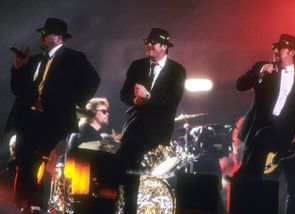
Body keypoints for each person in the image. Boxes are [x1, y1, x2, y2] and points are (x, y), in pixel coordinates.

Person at [5, 18, 100, 213]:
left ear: (58, 38)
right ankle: (25, 205)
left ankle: (38, 203)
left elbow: (93, 80)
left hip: (53, 119)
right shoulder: (35, 60)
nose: (41, 36)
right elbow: (17, 89)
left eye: (45, 34)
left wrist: (73, 101)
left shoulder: (73, 57)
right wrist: (18, 68)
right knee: (23, 160)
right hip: (29, 118)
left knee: (44, 160)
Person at [234, 34, 295, 213]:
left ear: (292, 52)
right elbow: (240, 84)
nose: (275, 51)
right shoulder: (263, 67)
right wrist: (260, 73)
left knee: (293, 186)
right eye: (274, 47)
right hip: (258, 132)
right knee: (249, 179)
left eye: (280, 48)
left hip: (284, 136)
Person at [117, 28, 186, 213]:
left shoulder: (177, 71)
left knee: (143, 169)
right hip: (134, 127)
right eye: (147, 42)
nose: (148, 45)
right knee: (121, 164)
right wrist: (134, 99)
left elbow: (172, 101)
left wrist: (149, 97)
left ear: (164, 46)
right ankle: (127, 207)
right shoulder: (137, 65)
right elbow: (123, 94)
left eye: (153, 43)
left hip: (157, 131)